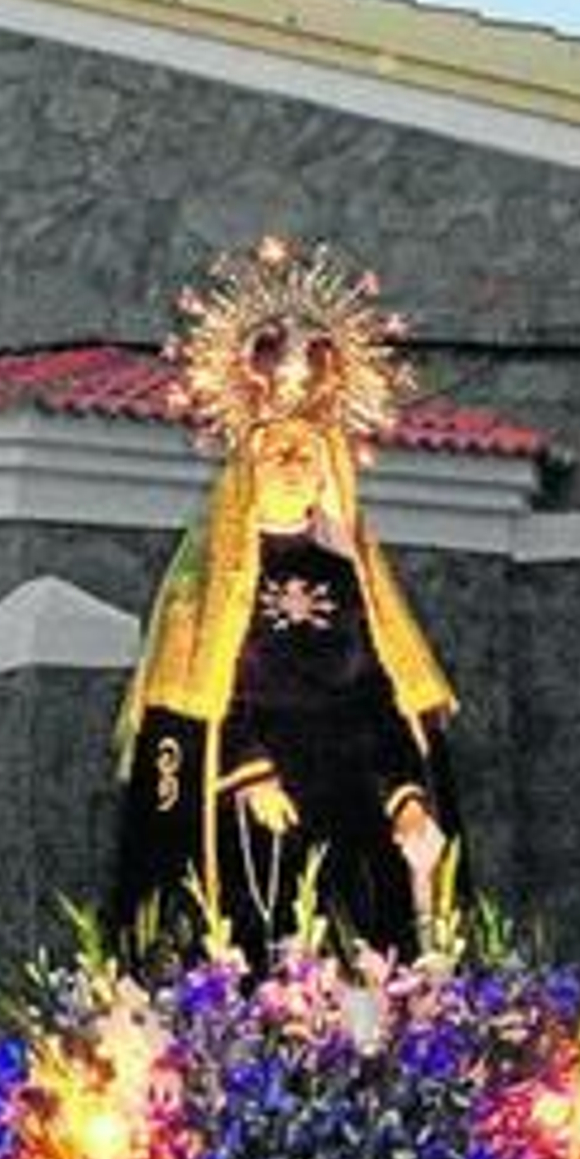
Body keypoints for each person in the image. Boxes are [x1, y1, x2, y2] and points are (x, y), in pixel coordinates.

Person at [116, 239, 458, 960]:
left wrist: (405, 794)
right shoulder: (201, 592)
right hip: (254, 799)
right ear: (246, 468)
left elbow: (376, 691)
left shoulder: (346, 577)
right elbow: (202, 701)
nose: (297, 466)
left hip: (352, 796)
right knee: (264, 939)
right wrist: (246, 769)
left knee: (364, 947)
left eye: (311, 452)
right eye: (278, 452)